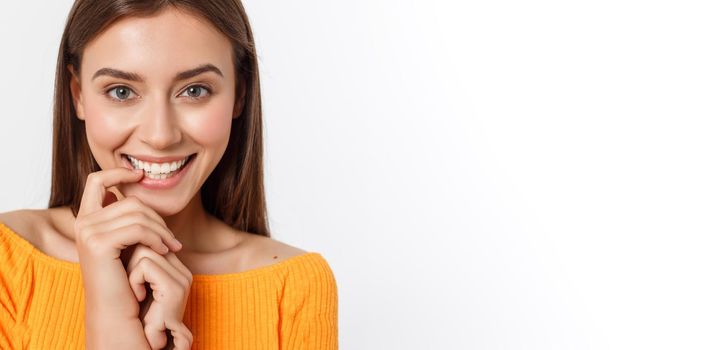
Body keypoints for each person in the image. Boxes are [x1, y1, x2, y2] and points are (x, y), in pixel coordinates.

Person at [0, 1, 338, 349]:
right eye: (121, 91)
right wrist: (109, 315)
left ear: (240, 94)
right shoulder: (7, 264)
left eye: (194, 91)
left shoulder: (293, 287)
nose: (160, 136)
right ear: (78, 95)